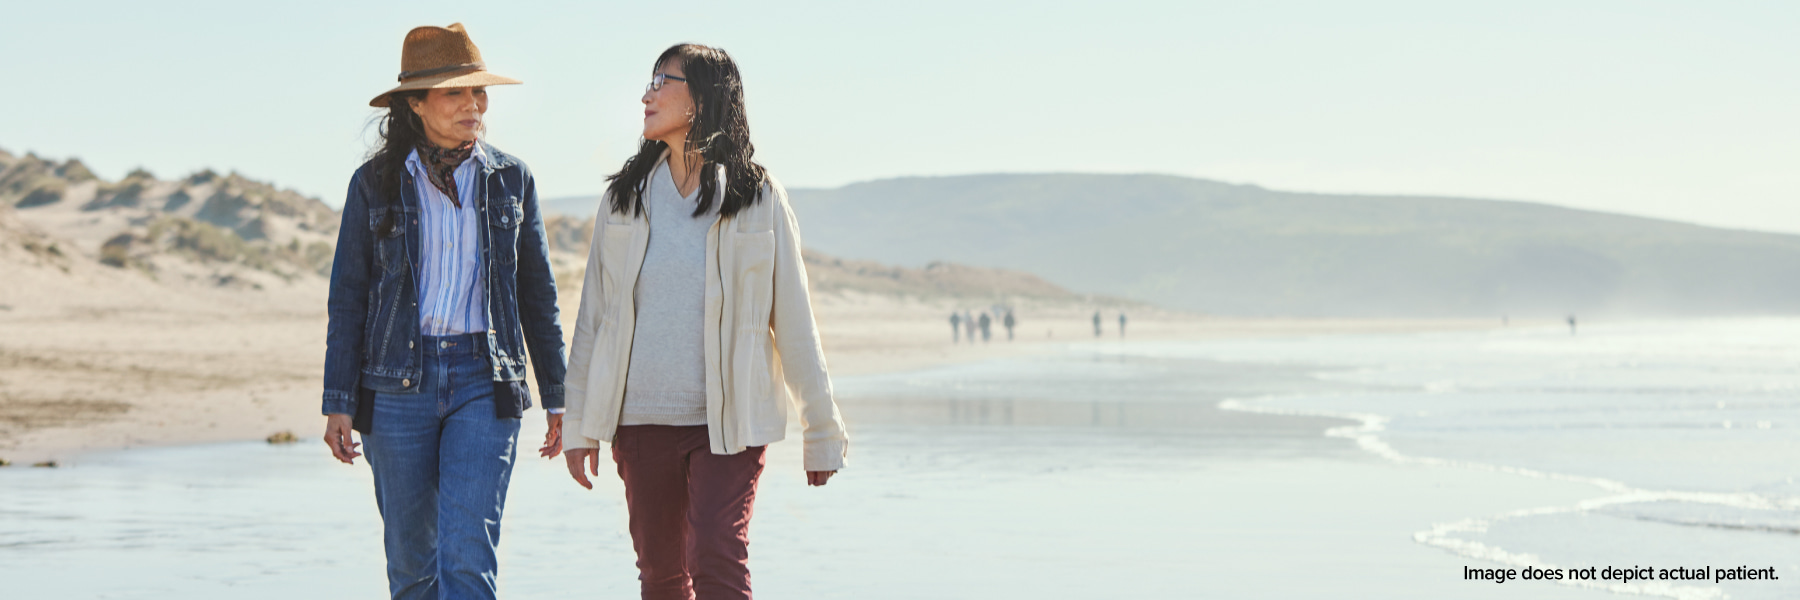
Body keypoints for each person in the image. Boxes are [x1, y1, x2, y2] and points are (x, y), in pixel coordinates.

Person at [561, 43, 849, 599]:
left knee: (716, 554)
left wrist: (821, 431)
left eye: (661, 82)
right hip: (640, 419)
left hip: (730, 422)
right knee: (662, 576)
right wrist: (579, 425)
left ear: (699, 97)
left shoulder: (756, 197)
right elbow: (594, 321)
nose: (646, 95)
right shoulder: (623, 200)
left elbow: (794, 320)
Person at [320, 23, 567, 600]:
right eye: (454, 92)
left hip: (486, 378)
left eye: (478, 92)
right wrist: (338, 400)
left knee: (467, 559)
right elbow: (349, 296)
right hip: (394, 385)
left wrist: (558, 393)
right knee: (412, 569)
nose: (472, 104)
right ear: (416, 102)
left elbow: (537, 293)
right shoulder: (373, 184)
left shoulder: (512, 179)